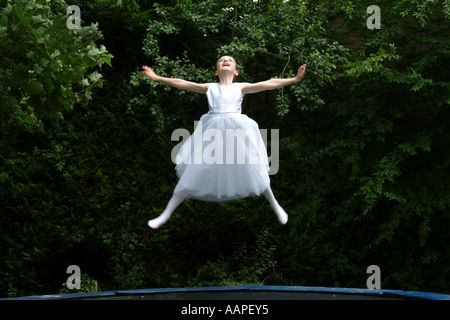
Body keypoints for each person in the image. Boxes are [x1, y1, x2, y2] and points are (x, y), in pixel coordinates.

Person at [141, 56, 306, 229]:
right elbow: (181, 82)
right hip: (212, 133)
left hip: (238, 131)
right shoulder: (209, 87)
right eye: (221, 60)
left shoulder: (240, 87)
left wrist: (295, 79)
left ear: (236, 72)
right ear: (216, 72)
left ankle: (275, 205)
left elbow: (270, 83)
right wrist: (157, 77)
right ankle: (165, 215)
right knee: (193, 171)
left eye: (230, 60)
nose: (225, 60)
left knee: (254, 166)